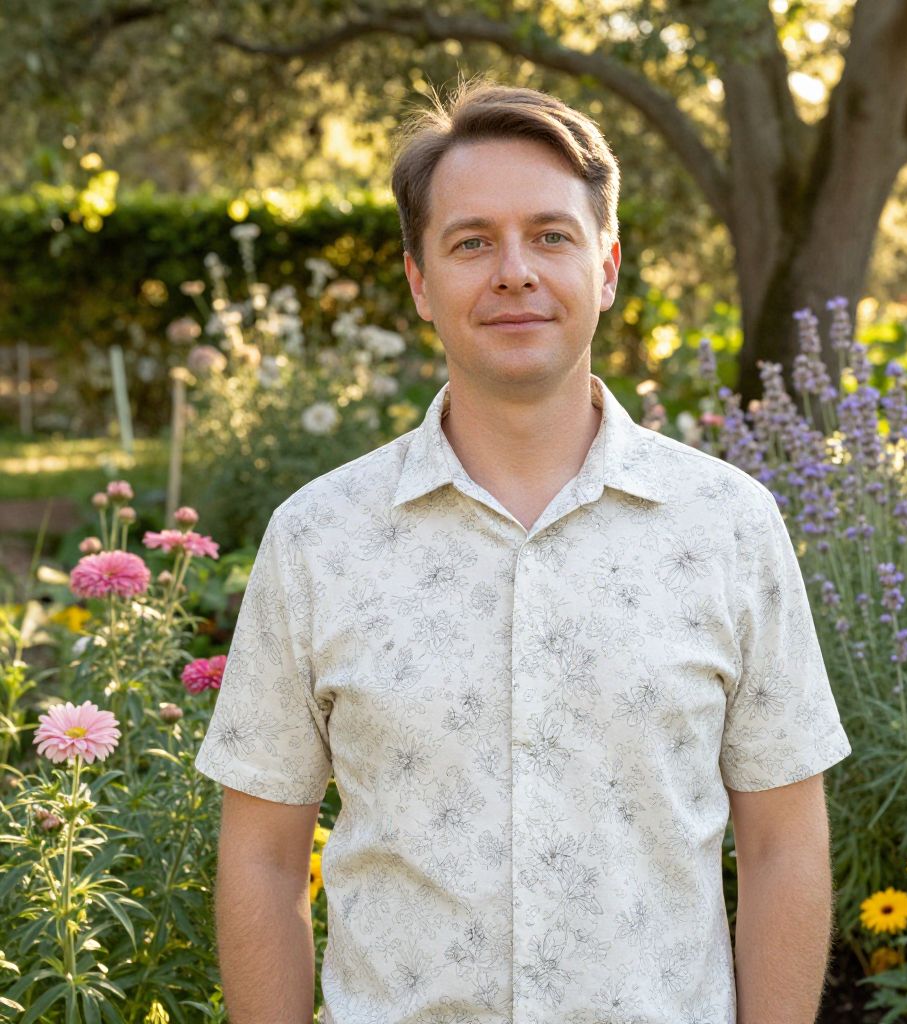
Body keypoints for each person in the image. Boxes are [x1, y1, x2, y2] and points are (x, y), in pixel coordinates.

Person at [195, 77, 852, 1024]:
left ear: (608, 265)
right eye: (472, 243)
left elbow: (787, 845)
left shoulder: (729, 527)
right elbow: (260, 861)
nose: (514, 272)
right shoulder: (318, 540)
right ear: (420, 280)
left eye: (551, 235)